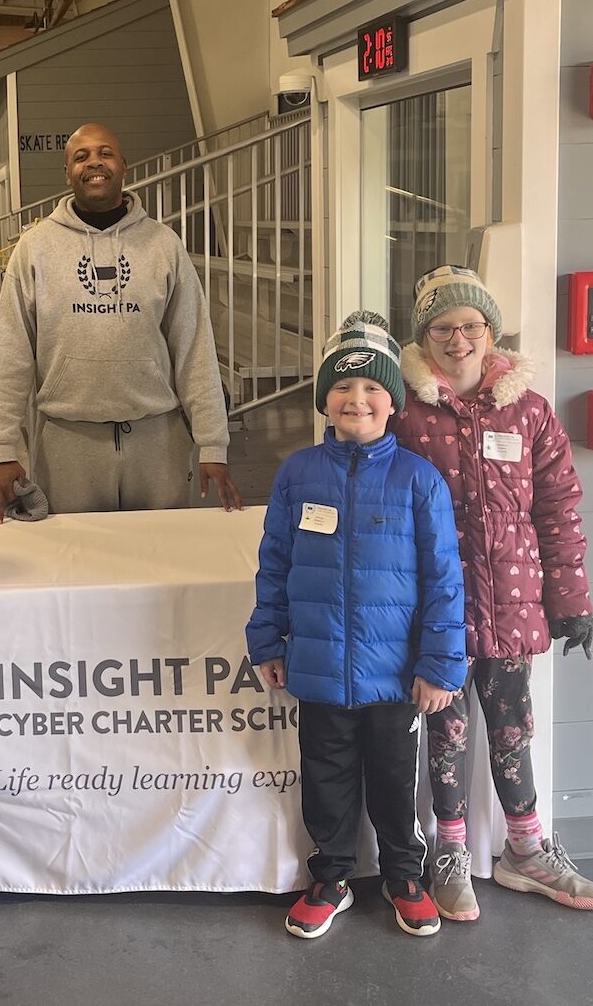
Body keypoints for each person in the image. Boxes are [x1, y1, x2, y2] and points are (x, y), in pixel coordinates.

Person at [390, 265, 593, 920]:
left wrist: (570, 601)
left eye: (470, 325)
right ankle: (450, 851)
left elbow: (557, 507)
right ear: (424, 336)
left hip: (512, 604)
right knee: (446, 731)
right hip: (437, 611)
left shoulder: (529, 411)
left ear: (490, 331)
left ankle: (526, 849)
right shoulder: (402, 412)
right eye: (442, 327)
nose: (457, 339)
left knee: (512, 728)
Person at [247, 312, 467, 940]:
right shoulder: (297, 475)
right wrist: (267, 638)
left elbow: (445, 583)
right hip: (318, 670)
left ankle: (404, 875)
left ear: (393, 401)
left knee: (397, 782)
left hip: (396, 679)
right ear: (326, 399)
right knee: (325, 779)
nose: (358, 399)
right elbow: (275, 563)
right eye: (344, 388)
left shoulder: (418, 481)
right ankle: (333, 876)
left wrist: (439, 665)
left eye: (373, 389)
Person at [0, 122, 242, 518]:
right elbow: (11, 354)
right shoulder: (34, 250)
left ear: (123, 165)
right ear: (67, 172)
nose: (94, 163)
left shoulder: (163, 245)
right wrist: (4, 449)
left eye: (105, 153)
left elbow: (195, 348)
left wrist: (212, 442)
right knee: (75, 568)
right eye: (81, 156)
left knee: (162, 562)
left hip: (157, 442)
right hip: (67, 444)